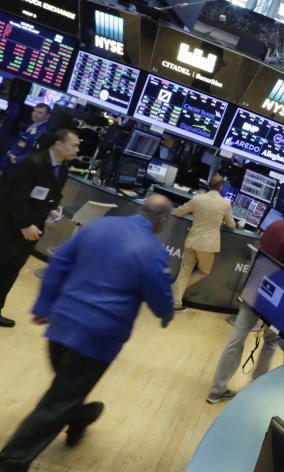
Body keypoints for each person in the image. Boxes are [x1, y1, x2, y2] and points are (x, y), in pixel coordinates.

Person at [0, 195, 175, 471]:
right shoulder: (153, 251)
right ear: (163, 221)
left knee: (66, 389)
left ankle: (80, 416)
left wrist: (44, 304)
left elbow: (58, 263)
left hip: (61, 324)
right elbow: (160, 297)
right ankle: (11, 462)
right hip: (98, 339)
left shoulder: (98, 227)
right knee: (58, 401)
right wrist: (166, 316)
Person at [206, 200, 284, 404]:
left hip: (252, 288)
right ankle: (254, 390)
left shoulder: (274, 225)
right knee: (271, 342)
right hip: (274, 298)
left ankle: (217, 389)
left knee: (236, 339)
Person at [0, 129, 80, 327]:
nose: (77, 150)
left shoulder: (62, 169)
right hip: (9, 228)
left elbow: (52, 196)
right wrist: (25, 225)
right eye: (74, 145)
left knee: (10, 272)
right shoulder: (32, 164)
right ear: (58, 144)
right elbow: (15, 198)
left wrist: (51, 212)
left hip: (32, 232)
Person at [171, 174, 236, 310]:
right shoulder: (225, 204)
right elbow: (231, 225)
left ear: (209, 185)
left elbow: (178, 212)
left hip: (192, 241)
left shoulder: (197, 199)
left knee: (184, 272)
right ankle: (174, 291)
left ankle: (176, 301)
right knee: (203, 272)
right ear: (221, 187)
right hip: (207, 246)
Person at [0, 103, 51, 175]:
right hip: (10, 161)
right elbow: (22, 141)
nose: (35, 114)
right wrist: (10, 152)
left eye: (40, 113)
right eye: (34, 111)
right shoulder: (35, 125)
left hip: (17, 166)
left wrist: (17, 159)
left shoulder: (43, 132)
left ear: (47, 116)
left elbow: (36, 151)